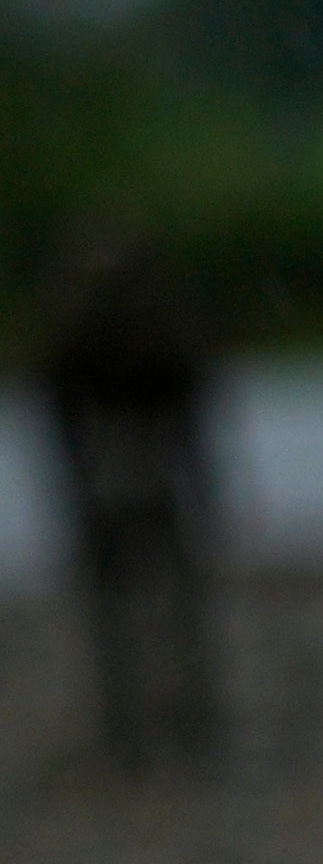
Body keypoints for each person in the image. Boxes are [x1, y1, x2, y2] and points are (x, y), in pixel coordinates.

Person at [35, 232, 224, 779]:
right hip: (142, 473)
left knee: (120, 607)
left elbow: (59, 417)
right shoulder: (163, 322)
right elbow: (194, 417)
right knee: (164, 603)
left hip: (112, 475)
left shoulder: (72, 326)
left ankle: (137, 725)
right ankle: (178, 719)